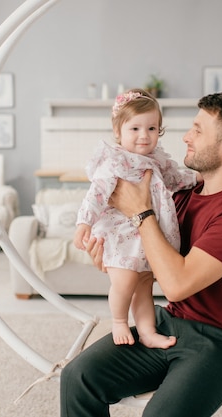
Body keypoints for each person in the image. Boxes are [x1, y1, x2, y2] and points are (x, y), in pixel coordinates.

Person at [61, 92, 222, 417]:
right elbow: (147, 261)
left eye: (198, 130)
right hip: (170, 323)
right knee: (78, 377)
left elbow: (176, 284)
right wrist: (111, 258)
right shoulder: (180, 196)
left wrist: (140, 212)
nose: (186, 137)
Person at [74, 88, 198, 349]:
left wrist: (197, 178)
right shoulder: (114, 162)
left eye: (152, 129)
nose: (144, 136)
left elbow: (175, 179)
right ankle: (119, 320)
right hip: (121, 234)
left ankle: (147, 331)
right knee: (126, 280)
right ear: (118, 132)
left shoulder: (158, 161)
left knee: (143, 283)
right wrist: (84, 222)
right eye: (135, 129)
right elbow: (96, 194)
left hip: (146, 234)